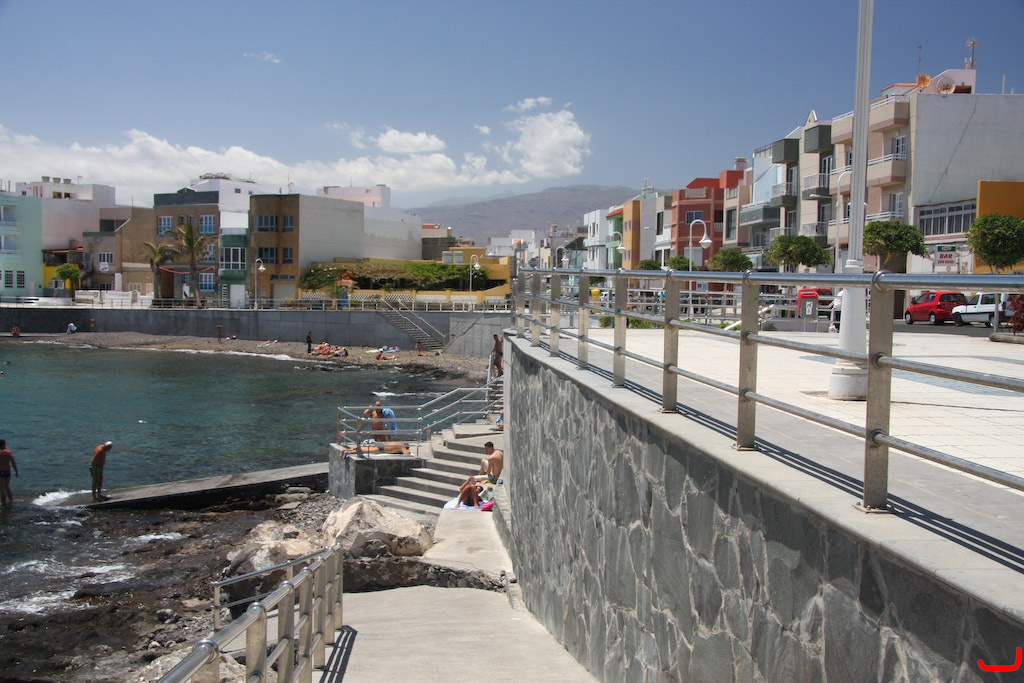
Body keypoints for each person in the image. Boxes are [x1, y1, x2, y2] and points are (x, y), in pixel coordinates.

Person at [0, 439, 18, 507]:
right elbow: (13, 463)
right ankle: (10, 500)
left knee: (2, 488)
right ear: (4, 445)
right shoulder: (8, 453)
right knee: (7, 486)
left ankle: (3, 503)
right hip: (7, 472)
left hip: (0, 472)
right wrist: (16, 472)